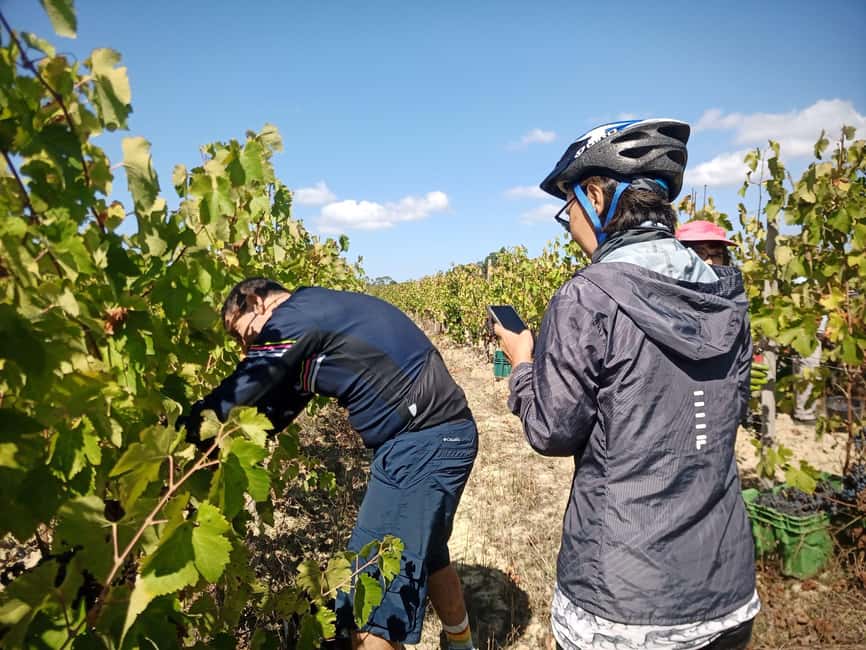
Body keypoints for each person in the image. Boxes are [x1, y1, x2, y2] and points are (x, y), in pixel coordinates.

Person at [493, 119, 760, 650]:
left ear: (596, 195)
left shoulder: (590, 295)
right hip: (726, 592)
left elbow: (551, 430)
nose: (568, 223)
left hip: (623, 604)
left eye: (567, 207)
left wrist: (523, 364)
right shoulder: (726, 295)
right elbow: (730, 409)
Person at [178, 279, 478, 650]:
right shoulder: (311, 334)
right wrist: (214, 460)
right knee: (427, 555)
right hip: (426, 439)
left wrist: (179, 437)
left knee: (370, 595)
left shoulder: (296, 315)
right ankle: (461, 643)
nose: (248, 348)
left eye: (248, 335)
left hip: (422, 443)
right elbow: (274, 412)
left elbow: (247, 383)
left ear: (257, 302)